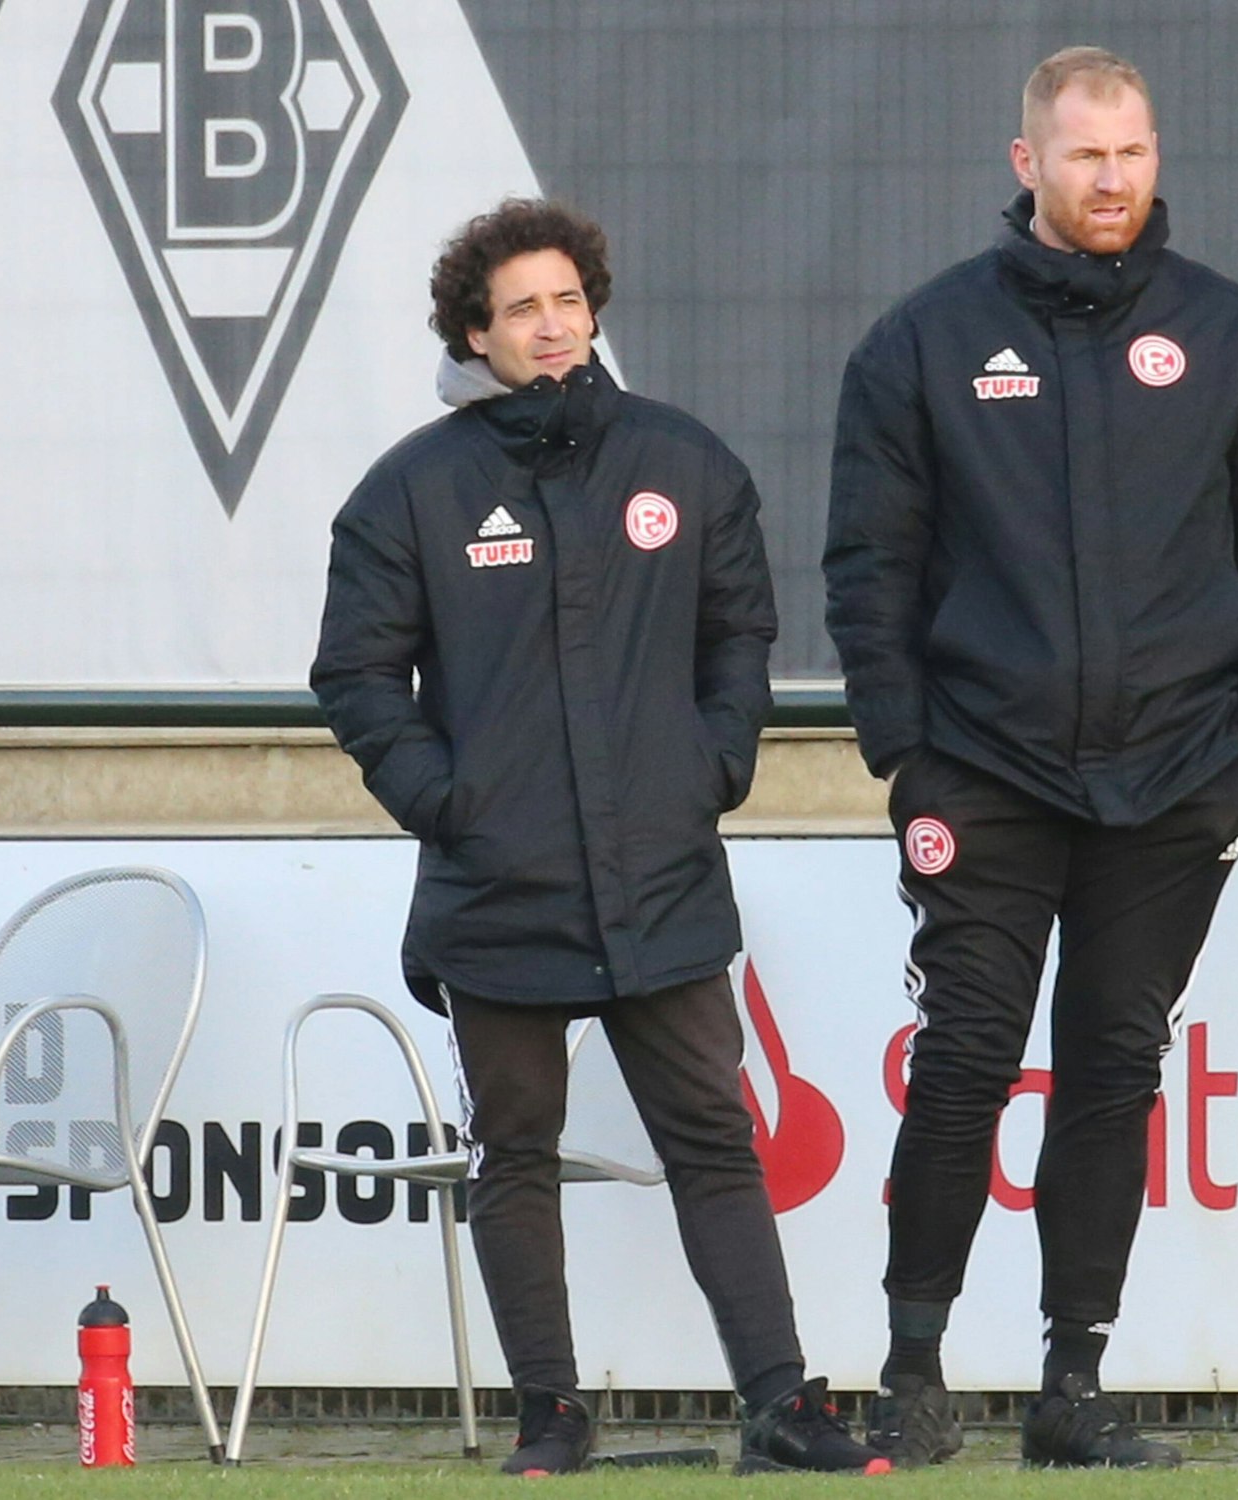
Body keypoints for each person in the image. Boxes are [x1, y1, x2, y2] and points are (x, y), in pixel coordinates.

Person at [312, 197, 888, 1478]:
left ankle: (780, 1405)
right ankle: (550, 1415)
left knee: (713, 1141)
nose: (552, 326)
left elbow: (739, 632)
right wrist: (451, 804)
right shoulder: (412, 490)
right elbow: (354, 676)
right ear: (476, 332)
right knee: (513, 1156)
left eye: (567, 300)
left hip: (661, 876)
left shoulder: (682, 463)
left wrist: (710, 764)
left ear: (595, 309)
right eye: (521, 308)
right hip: (494, 890)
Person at [824, 46, 1238, 1469]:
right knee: (969, 1057)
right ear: (1027, 164)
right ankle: (912, 1373)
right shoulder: (922, 343)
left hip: (1178, 776)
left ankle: (1074, 1391)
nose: (1110, 179)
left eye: (1132, 153)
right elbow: (870, 570)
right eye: (1083, 155)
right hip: (983, 770)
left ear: (1156, 157)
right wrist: (905, 759)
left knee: (1115, 1070)